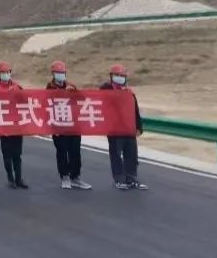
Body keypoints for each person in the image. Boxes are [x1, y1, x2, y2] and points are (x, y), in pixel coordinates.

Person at [101, 64, 147, 190]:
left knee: (131, 154)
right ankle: (119, 179)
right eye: (117, 75)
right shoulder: (106, 90)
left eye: (122, 76)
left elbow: (135, 110)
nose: (120, 78)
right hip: (114, 129)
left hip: (128, 128)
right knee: (116, 155)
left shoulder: (129, 92)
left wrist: (138, 127)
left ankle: (131, 178)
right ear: (111, 76)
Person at [47, 60, 92, 190]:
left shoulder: (71, 86)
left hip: (73, 125)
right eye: (58, 72)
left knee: (75, 152)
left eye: (62, 72)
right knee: (62, 151)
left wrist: (75, 92)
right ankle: (65, 177)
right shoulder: (49, 88)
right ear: (53, 74)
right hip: (59, 126)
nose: (60, 75)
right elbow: (47, 103)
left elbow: (83, 100)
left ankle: (75, 177)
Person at [0, 61, 27, 189]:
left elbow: (26, 101)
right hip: (4, 125)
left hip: (16, 125)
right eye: (3, 72)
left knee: (17, 154)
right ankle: (10, 178)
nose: (5, 74)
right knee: (7, 154)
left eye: (7, 72)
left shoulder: (17, 87)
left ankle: (19, 179)